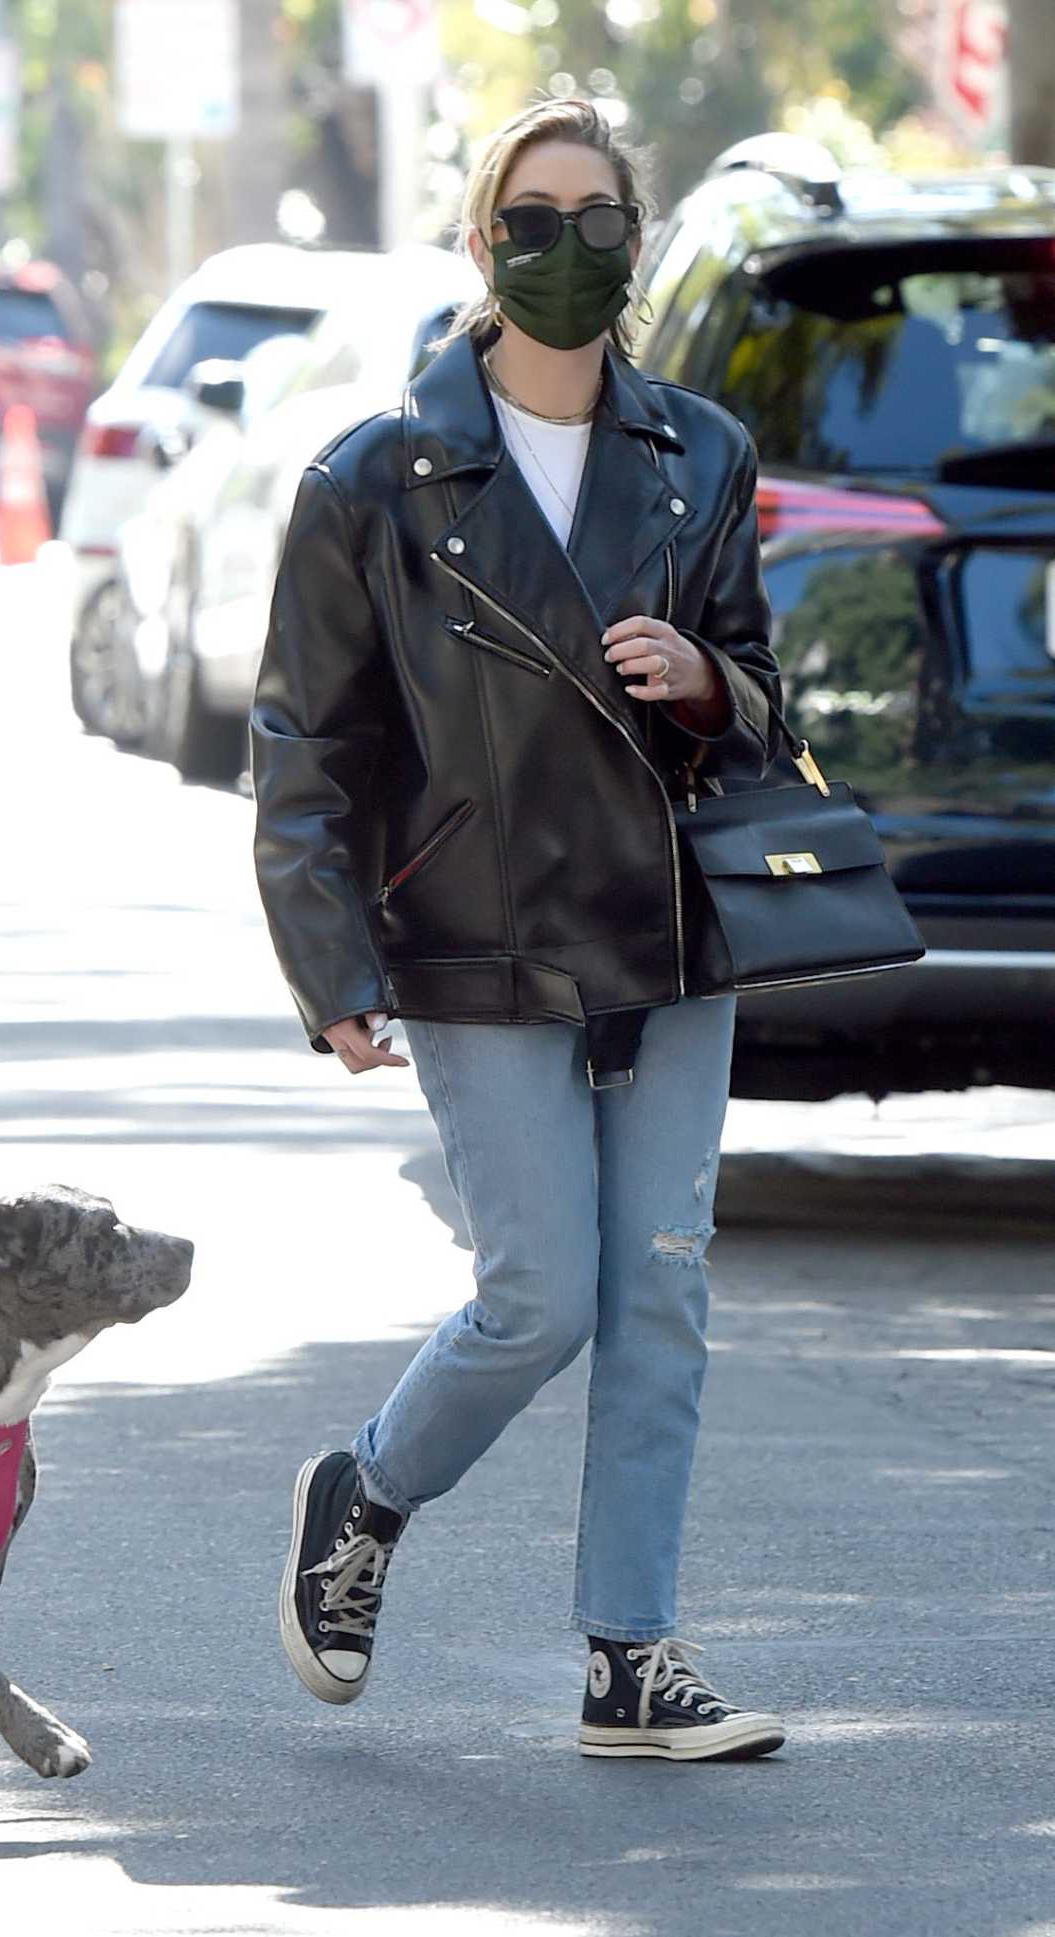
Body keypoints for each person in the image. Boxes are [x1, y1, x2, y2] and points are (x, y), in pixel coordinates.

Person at [252, 97, 786, 1762]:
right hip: (477, 938)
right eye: (533, 218)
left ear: (635, 240)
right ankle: (366, 1489)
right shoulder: (373, 480)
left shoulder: (698, 452)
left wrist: (710, 683)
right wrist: (328, 964)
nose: (570, 250)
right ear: (483, 244)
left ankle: (632, 1652)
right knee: (539, 1294)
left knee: (662, 1295)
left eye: (599, 218)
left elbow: (764, 694)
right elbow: (305, 745)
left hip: (670, 934)